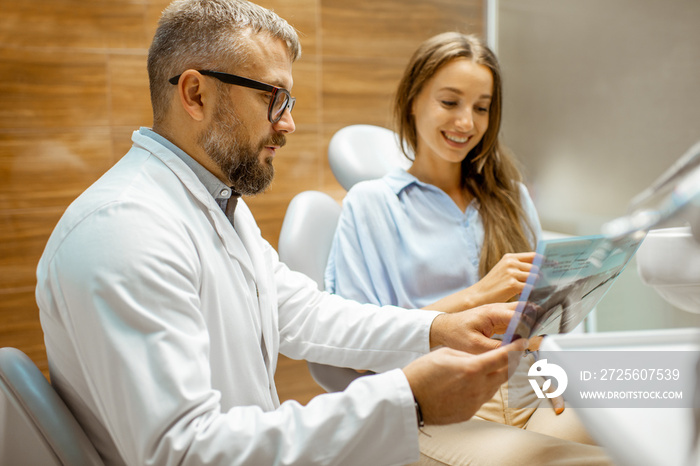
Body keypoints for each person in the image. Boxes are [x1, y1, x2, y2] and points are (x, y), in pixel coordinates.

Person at [34, 2, 532, 465]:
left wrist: (438, 330)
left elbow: (306, 314)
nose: (289, 122)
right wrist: (410, 398)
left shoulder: (216, 203)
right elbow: (184, 452)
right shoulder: (125, 230)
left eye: (288, 99)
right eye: (273, 98)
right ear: (195, 94)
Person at [325, 32, 611, 464]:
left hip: (531, 387)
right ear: (413, 100)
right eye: (450, 102)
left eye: (481, 107)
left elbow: (541, 324)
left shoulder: (510, 196)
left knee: (651, 432)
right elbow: (358, 350)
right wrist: (479, 294)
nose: (466, 122)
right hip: (439, 401)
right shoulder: (372, 205)